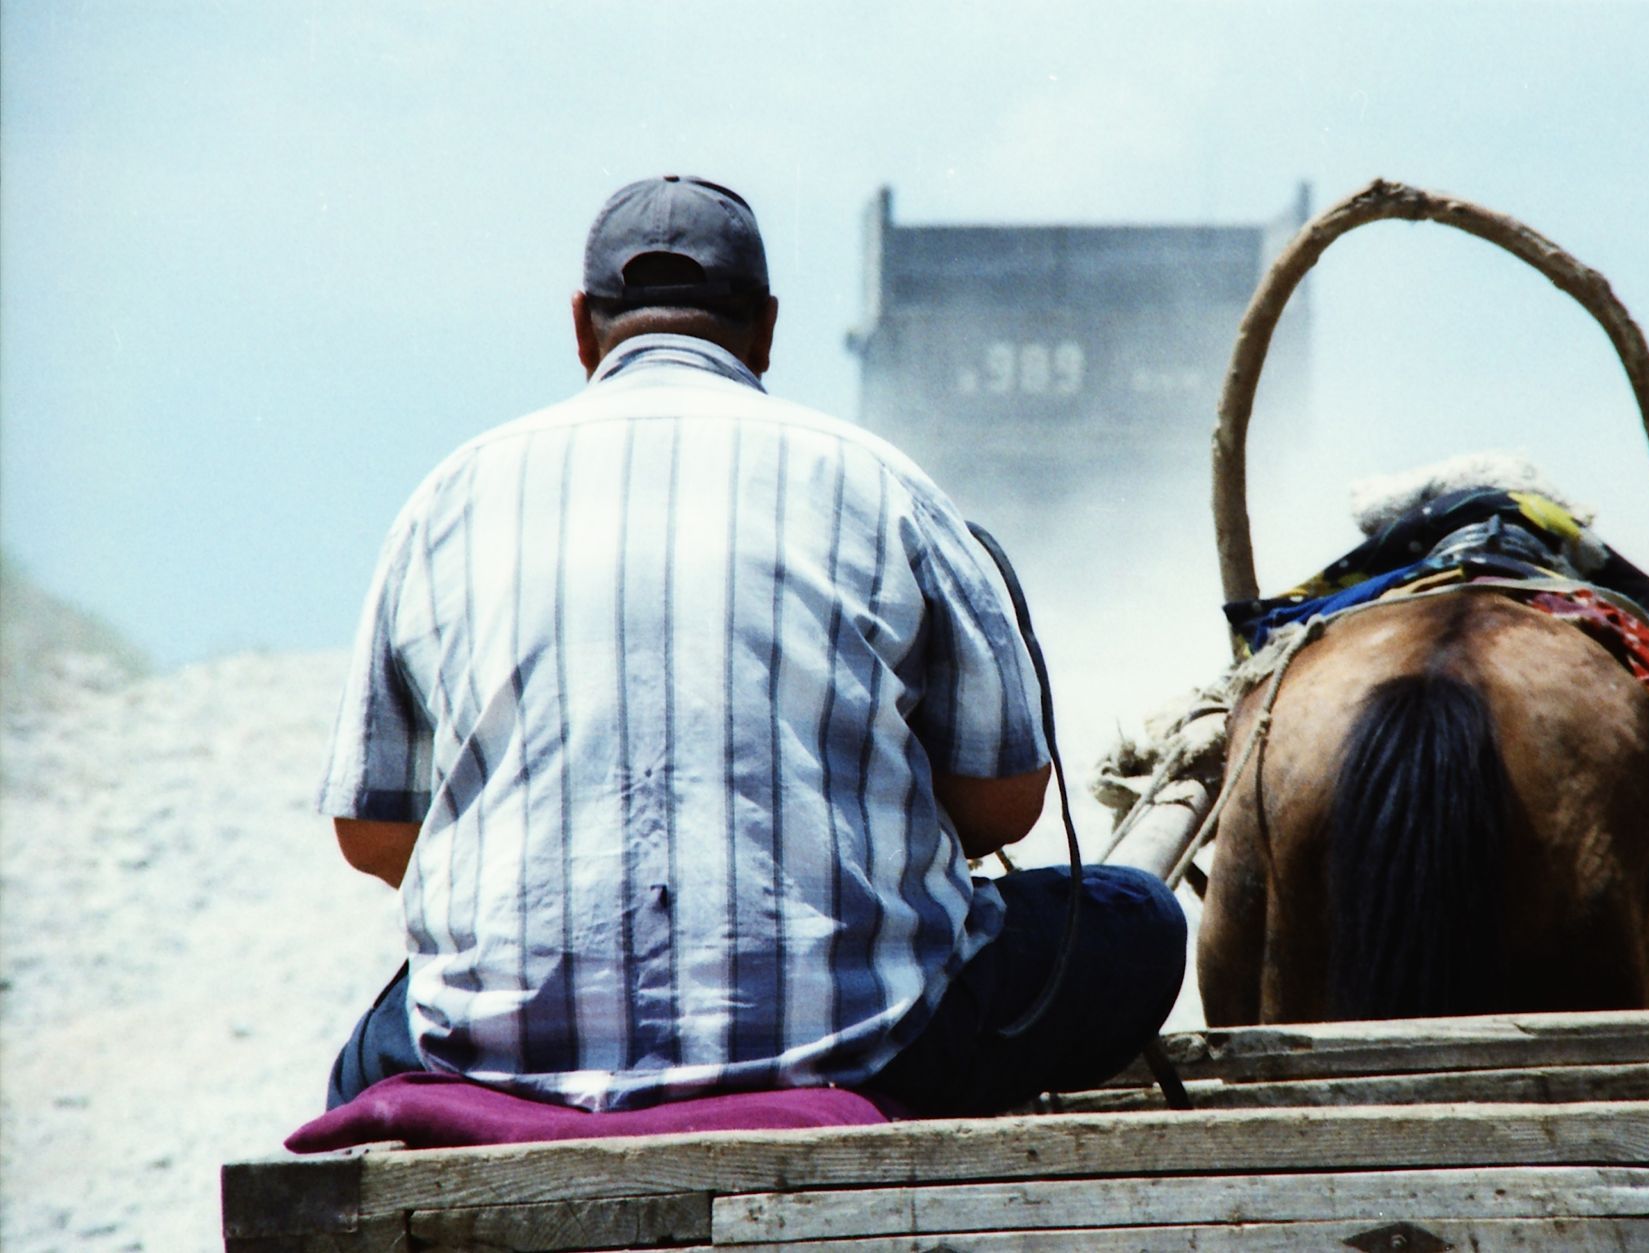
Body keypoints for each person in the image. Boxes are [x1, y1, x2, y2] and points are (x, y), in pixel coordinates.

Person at [317, 175, 1186, 1117]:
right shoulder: (881, 483)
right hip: (864, 1048)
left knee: (367, 1052)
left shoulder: (448, 500)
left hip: (493, 1055)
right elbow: (1007, 805)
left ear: (582, 328)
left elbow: (371, 834)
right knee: (1137, 921)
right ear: (765, 328)